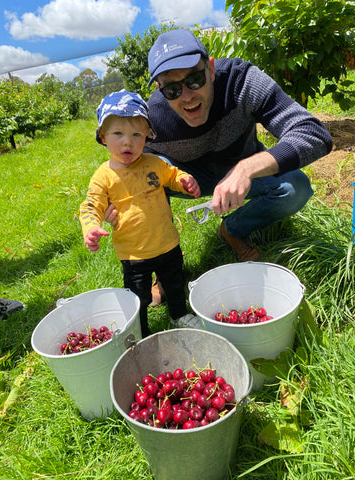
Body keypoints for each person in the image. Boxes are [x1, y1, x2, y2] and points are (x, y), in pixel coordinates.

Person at [138, 28, 333, 265]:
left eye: (195, 80)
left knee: (296, 187)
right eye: (173, 89)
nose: (187, 97)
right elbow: (132, 175)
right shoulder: (152, 117)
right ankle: (166, 264)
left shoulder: (241, 81)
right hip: (190, 179)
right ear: (160, 89)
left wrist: (246, 169)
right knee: (145, 179)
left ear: (210, 69)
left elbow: (314, 133)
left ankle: (233, 229)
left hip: (245, 169)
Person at [79, 90, 201, 337]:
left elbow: (172, 175)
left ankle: (180, 314)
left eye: (137, 134)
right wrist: (91, 227)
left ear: (147, 137)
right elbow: (91, 205)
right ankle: (142, 331)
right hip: (134, 254)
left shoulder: (154, 163)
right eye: (118, 134)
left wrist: (185, 180)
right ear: (103, 137)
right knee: (138, 297)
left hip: (167, 244)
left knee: (176, 284)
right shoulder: (104, 176)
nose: (128, 142)